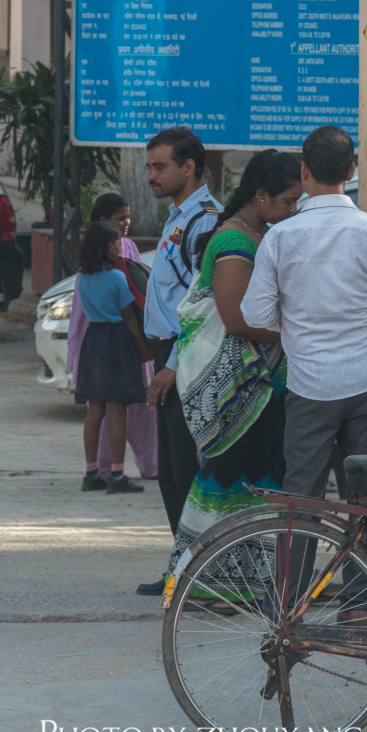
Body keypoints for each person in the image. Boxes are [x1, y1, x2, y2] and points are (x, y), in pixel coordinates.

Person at [242, 125, 367, 625]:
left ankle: (289, 604)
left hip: (310, 386)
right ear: (353, 171)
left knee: (301, 499)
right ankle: (360, 602)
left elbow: (256, 312)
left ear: (304, 172)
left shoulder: (281, 237)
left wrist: (295, 325)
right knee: (366, 497)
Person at [163, 150, 303, 604]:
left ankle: (225, 583)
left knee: (250, 479)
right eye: (287, 201)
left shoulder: (255, 233)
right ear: (260, 196)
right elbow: (237, 319)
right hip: (243, 388)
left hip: (258, 384)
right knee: (229, 477)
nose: (292, 210)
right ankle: (199, 582)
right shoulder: (236, 242)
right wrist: (302, 330)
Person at [136, 128, 222, 595]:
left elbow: (205, 307)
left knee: (188, 470)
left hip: (185, 356)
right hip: (167, 353)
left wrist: (173, 366)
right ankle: (185, 568)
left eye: (160, 167)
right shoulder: (180, 217)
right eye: (149, 166)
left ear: (189, 168)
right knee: (170, 471)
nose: (151, 175)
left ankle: (201, 573)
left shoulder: (205, 222)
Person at [67, 192, 157, 484]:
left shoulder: (82, 276)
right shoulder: (118, 277)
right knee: (119, 409)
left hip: (93, 340)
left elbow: (79, 316)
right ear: (109, 245)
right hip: (118, 340)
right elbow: (130, 315)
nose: (123, 243)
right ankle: (118, 473)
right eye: (117, 239)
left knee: (95, 411)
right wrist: (144, 348)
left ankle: (92, 471)